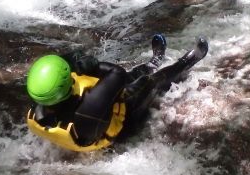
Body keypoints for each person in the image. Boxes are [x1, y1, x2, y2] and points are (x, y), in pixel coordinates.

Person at [26, 34, 209, 152]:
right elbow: (117, 73)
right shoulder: (88, 106)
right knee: (150, 82)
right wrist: (94, 67)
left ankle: (153, 62)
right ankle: (189, 60)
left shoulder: (39, 100)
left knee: (132, 75)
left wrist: (76, 61)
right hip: (123, 122)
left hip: (92, 122)